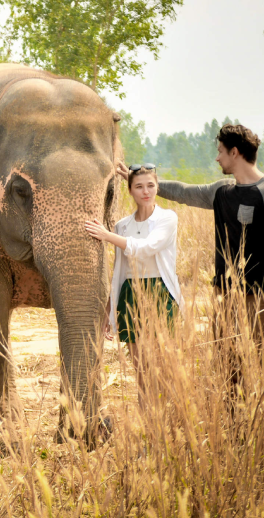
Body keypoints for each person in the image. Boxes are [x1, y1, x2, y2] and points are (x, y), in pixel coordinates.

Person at [118, 125, 264, 387]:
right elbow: (184, 192)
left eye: (220, 152)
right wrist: (140, 181)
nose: (217, 158)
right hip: (226, 300)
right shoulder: (222, 191)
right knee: (230, 374)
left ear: (234, 153)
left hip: (262, 300)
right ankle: (236, 425)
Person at [85, 164, 182, 402]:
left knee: (160, 363)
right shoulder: (123, 226)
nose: (146, 191)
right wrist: (110, 310)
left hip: (161, 292)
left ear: (157, 187)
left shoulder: (167, 218)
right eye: (139, 186)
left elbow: (147, 248)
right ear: (130, 190)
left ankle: (166, 418)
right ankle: (147, 419)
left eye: (150, 185)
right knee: (140, 367)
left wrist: (107, 236)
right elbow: (120, 270)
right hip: (131, 294)